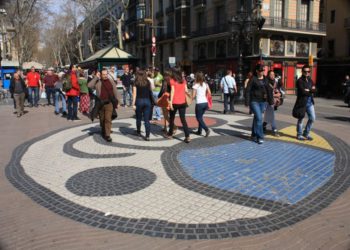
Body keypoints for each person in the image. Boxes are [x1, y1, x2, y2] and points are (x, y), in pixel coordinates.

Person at [88, 69, 121, 142]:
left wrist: (118, 101)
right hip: (100, 103)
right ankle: (104, 130)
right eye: (104, 74)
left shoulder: (111, 81)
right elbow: (89, 86)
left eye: (106, 74)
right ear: (101, 75)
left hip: (109, 103)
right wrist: (96, 77)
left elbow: (115, 91)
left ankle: (107, 135)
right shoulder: (98, 82)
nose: (105, 76)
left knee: (107, 119)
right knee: (102, 119)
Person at [245, 64, 273, 144]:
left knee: (257, 118)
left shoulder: (265, 79)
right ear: (257, 71)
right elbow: (247, 90)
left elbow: (269, 90)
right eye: (260, 70)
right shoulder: (253, 79)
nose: (262, 72)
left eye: (263, 70)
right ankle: (260, 136)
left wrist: (271, 101)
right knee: (260, 119)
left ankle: (253, 134)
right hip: (254, 101)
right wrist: (247, 101)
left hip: (263, 101)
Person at [167, 67, 191, 143]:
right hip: (183, 102)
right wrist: (189, 95)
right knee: (183, 120)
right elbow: (186, 90)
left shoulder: (172, 80)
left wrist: (170, 102)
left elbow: (173, 91)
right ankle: (187, 136)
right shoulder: (183, 80)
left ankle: (170, 134)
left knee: (171, 119)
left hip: (174, 102)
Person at [293, 65, 316, 141]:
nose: (307, 73)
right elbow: (303, 92)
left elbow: (315, 90)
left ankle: (306, 133)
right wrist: (310, 90)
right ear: (302, 72)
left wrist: (308, 90)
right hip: (302, 103)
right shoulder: (299, 81)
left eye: (308, 71)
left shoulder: (310, 80)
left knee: (312, 118)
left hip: (310, 102)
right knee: (301, 119)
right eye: (305, 71)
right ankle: (299, 134)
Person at [132, 70, 153, 141]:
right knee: (147, 120)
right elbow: (151, 90)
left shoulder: (136, 82)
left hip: (139, 101)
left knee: (138, 118)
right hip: (147, 101)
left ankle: (138, 131)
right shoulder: (148, 82)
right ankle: (147, 136)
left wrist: (133, 104)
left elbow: (134, 94)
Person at [192, 72, 211, 137]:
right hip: (205, 103)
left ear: (197, 77)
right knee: (200, 117)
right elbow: (209, 93)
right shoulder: (206, 84)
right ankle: (199, 131)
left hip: (199, 103)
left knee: (198, 118)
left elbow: (193, 96)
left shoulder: (195, 85)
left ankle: (206, 129)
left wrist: (189, 97)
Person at [263, 70, 281, 136]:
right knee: (271, 115)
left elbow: (277, 90)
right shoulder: (266, 83)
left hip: (273, 101)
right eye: (271, 74)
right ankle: (274, 129)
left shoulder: (275, 82)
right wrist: (275, 95)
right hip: (267, 101)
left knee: (268, 115)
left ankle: (263, 126)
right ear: (268, 75)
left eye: (273, 74)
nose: (272, 76)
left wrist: (279, 93)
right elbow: (266, 94)